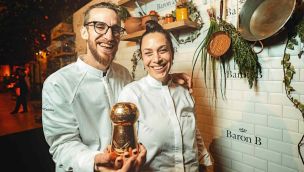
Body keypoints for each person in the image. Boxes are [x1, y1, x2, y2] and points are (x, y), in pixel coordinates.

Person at [42, 2, 190, 172]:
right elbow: (62, 145)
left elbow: (143, 94)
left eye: (115, 29)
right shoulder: (58, 84)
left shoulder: (123, 74)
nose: (109, 36)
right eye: (99, 26)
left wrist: (169, 78)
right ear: (84, 32)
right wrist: (95, 162)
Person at [118, 20, 212, 172]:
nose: (157, 59)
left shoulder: (184, 91)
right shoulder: (131, 95)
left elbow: (195, 134)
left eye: (163, 50)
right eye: (148, 53)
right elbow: (125, 151)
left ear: (172, 53)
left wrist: (206, 163)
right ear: (142, 58)